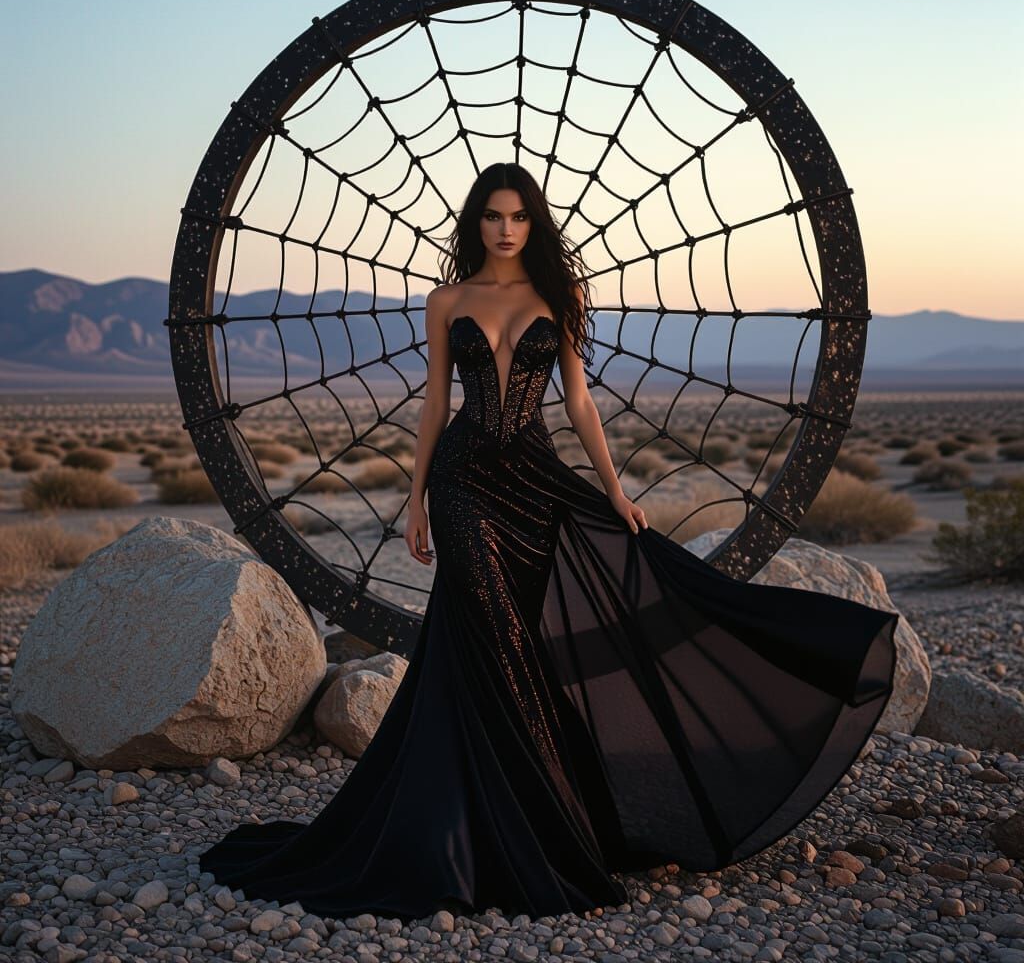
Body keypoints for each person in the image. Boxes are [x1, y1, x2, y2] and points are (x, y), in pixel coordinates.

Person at [199, 162, 900, 922]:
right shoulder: (445, 301)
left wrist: (615, 491)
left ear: (534, 224)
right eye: (493, 216)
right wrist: (416, 499)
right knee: (492, 634)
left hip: (536, 482)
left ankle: (513, 820)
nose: (506, 228)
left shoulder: (559, 299)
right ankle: (499, 830)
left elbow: (580, 405)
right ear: (477, 223)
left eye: (519, 217)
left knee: (516, 648)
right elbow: (436, 402)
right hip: (464, 480)